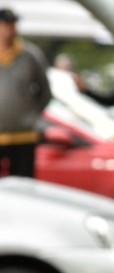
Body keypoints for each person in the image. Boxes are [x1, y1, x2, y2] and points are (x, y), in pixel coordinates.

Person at [0, 7, 51, 178]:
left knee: (23, 186)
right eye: (6, 24)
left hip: (24, 134)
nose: (10, 28)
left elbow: (45, 91)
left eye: (13, 24)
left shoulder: (29, 55)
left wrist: (31, 114)